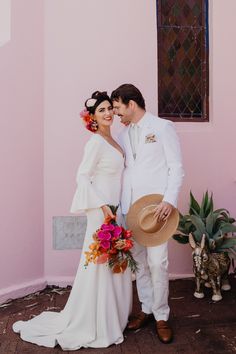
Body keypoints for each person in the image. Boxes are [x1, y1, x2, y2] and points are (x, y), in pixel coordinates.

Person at [12, 91, 132, 350]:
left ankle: (113, 317)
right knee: (99, 262)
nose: (108, 112)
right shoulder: (96, 142)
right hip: (101, 211)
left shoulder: (115, 140)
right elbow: (82, 176)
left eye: (110, 107)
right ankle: (95, 321)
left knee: (114, 261)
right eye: (101, 110)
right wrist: (101, 206)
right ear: (93, 117)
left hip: (116, 210)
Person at [111, 84, 184, 344]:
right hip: (130, 209)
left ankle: (162, 315)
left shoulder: (163, 128)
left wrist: (169, 200)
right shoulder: (121, 134)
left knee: (157, 263)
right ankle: (147, 309)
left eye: (118, 107)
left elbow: (175, 167)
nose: (117, 113)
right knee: (139, 262)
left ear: (131, 104)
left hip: (156, 210)